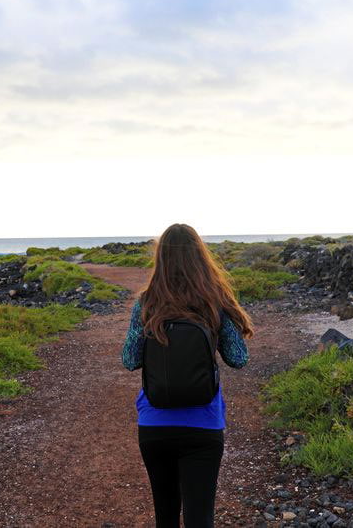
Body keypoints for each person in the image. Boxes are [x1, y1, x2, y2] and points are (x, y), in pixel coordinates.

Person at [121, 224, 254, 527]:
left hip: (154, 424)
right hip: (203, 425)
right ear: (200, 257)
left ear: (161, 257)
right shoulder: (213, 300)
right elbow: (239, 359)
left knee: (165, 516)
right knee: (200, 518)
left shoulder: (147, 302)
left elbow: (129, 360)